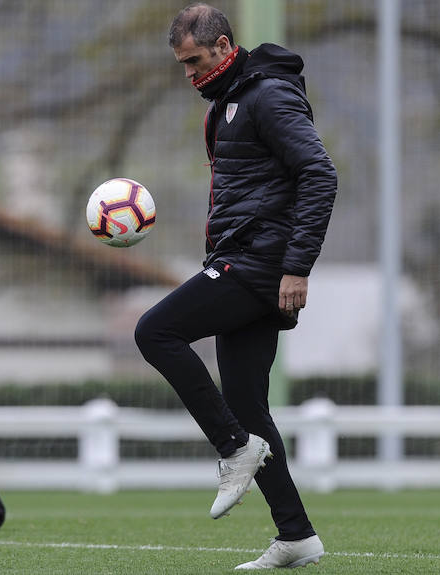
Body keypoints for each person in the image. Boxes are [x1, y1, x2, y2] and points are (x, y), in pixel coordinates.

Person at [134, 3, 337, 570]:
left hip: (258, 264)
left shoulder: (266, 95)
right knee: (249, 401)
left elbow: (319, 174)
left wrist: (297, 266)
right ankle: (296, 535)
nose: (190, 74)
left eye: (195, 61)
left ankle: (233, 448)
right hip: (247, 259)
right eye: (182, 65)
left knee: (155, 331)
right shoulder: (228, 100)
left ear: (224, 46)